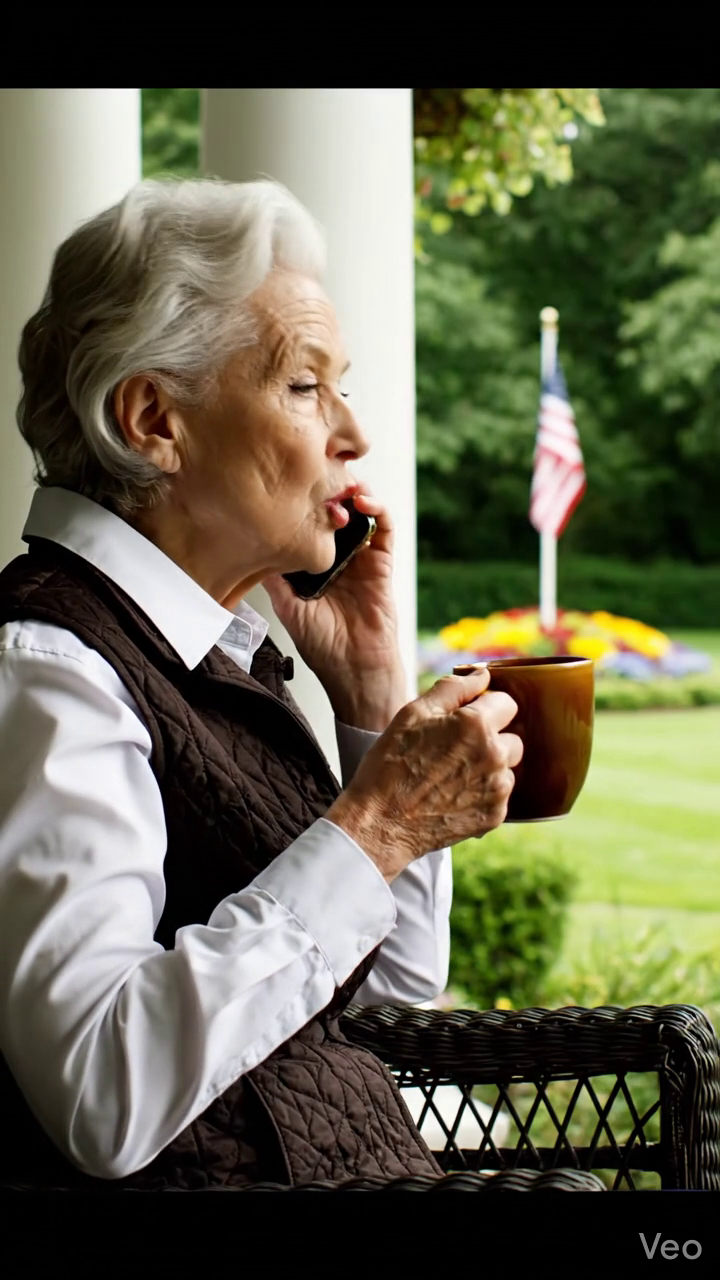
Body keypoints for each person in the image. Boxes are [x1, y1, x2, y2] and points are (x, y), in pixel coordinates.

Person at [0, 178, 522, 1190]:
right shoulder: (50, 670)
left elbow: (388, 1003)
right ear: (155, 418)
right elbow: (101, 1090)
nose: (352, 435)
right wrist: (374, 827)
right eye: (303, 386)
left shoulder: (204, 647)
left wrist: (369, 686)